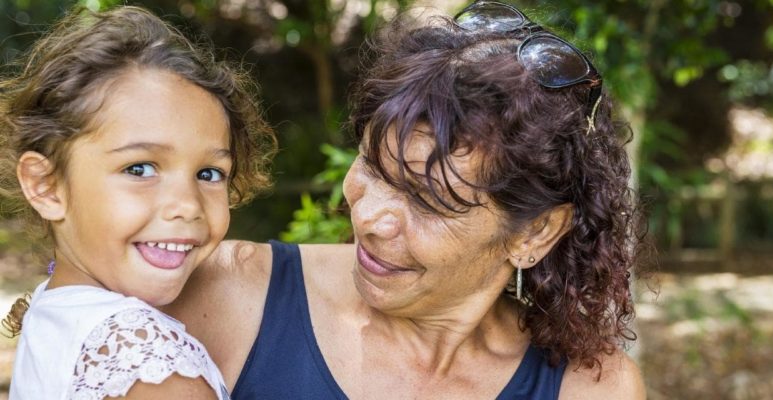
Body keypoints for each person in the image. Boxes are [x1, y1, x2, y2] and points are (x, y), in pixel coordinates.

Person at [166, 1, 646, 398]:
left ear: (535, 232)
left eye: (427, 201)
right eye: (372, 167)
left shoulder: (592, 388)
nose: (370, 219)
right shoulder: (225, 296)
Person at [0, 5, 275, 399]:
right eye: (140, 168)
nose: (188, 205)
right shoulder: (150, 368)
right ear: (47, 186)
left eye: (209, 174)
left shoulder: (55, 310)